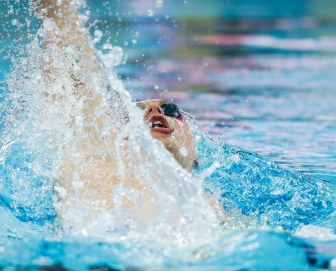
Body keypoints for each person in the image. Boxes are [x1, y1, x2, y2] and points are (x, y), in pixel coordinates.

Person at [35, 0, 221, 223]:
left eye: (170, 109)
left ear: (196, 153)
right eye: (134, 112)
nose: (153, 110)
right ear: (120, 139)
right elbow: (69, 53)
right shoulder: (92, 162)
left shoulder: (210, 206)